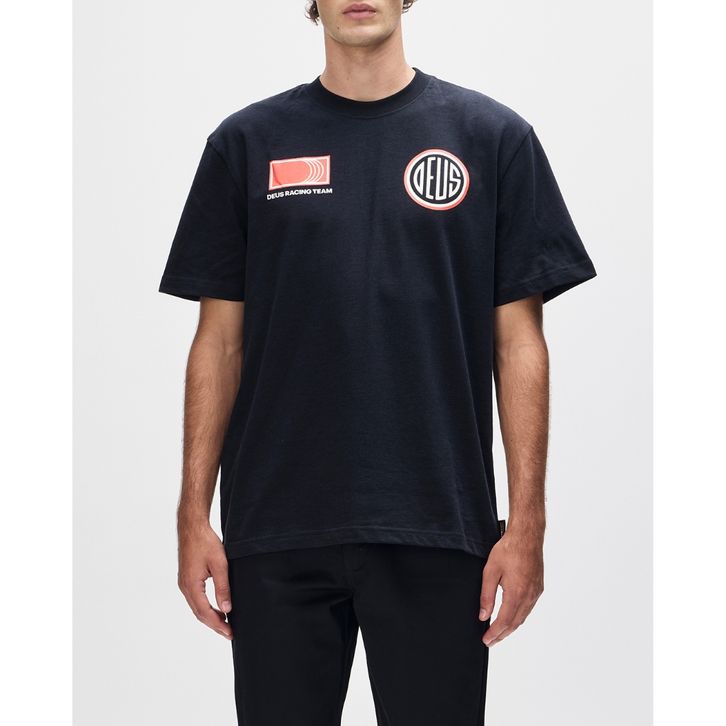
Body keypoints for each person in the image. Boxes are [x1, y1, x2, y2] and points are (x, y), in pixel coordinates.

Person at [158, 1, 597, 723]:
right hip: (277, 528)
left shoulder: (492, 138)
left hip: (438, 521)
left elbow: (519, 342)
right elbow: (218, 342)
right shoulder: (246, 144)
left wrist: (527, 525)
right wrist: (191, 516)